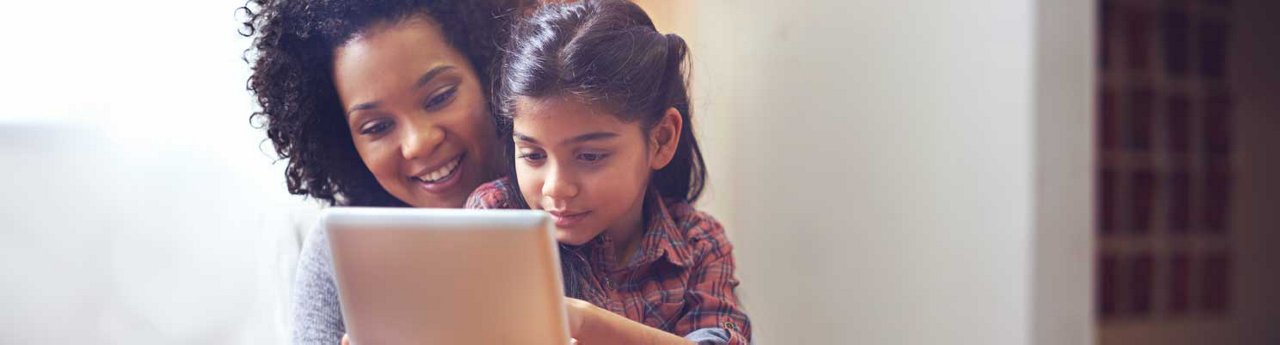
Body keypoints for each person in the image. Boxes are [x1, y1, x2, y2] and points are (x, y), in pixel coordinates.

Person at [240, 0, 529, 343]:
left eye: (439, 98)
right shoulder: (339, 255)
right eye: (377, 127)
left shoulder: (574, 205)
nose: (418, 143)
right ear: (345, 143)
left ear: (491, 75)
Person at [466, 0, 752, 343]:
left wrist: (585, 323)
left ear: (661, 139)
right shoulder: (495, 219)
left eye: (589, 156)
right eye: (532, 154)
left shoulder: (698, 243)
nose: (556, 188)